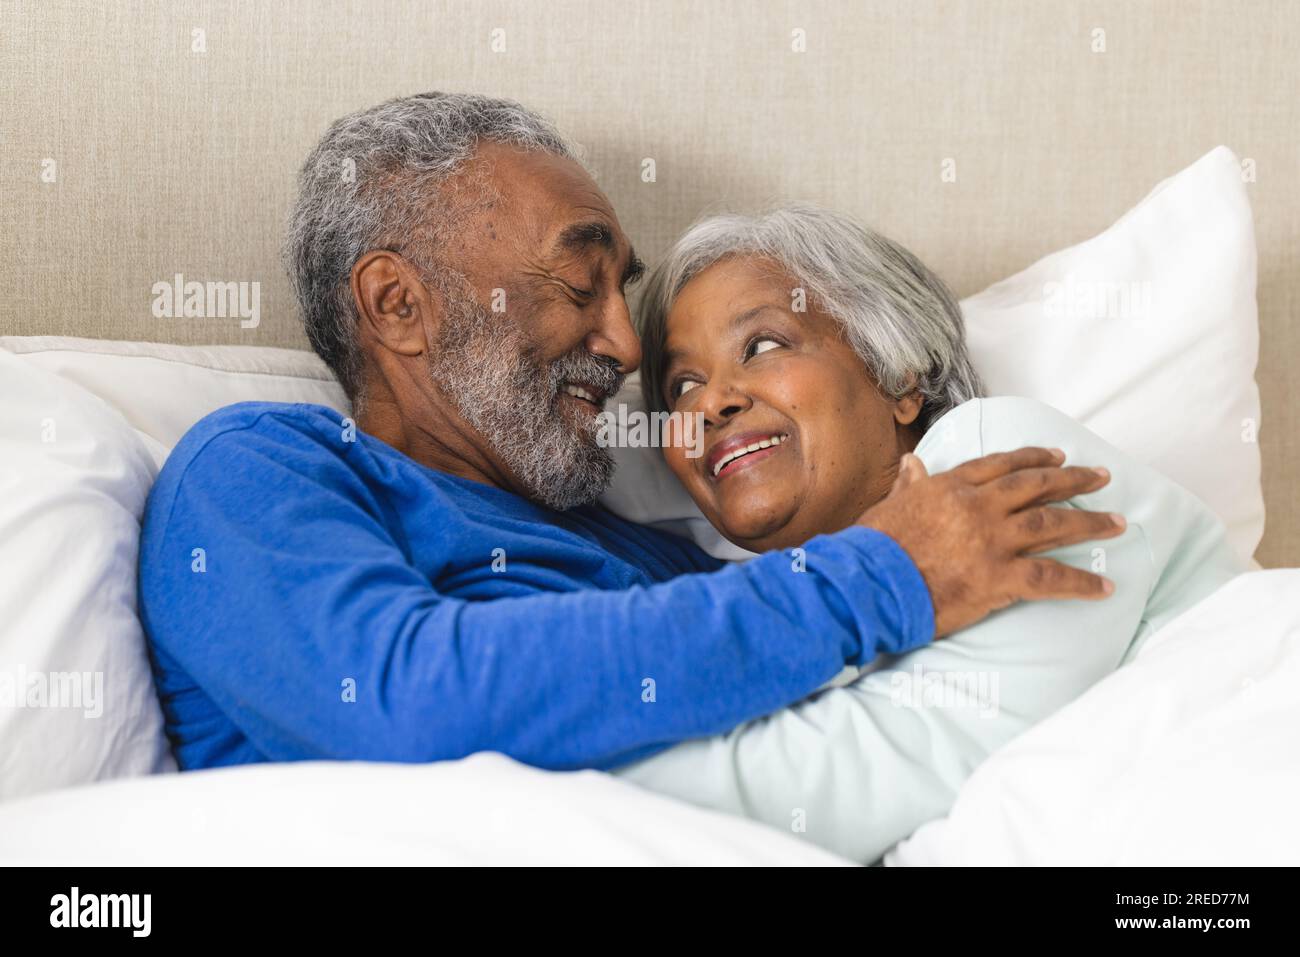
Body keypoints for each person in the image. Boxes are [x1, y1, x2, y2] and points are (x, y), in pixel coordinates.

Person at [138, 93, 1124, 773]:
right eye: (580, 282)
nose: (620, 344)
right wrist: (886, 576)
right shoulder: (266, 470)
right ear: (400, 304)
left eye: (623, 293)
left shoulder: (670, 566)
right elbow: (403, 706)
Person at [615, 205, 1244, 861]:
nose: (711, 403)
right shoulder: (770, 599)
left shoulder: (999, 459)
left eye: (764, 346)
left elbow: (833, 779)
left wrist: (535, 769)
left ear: (899, 378)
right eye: (682, 384)